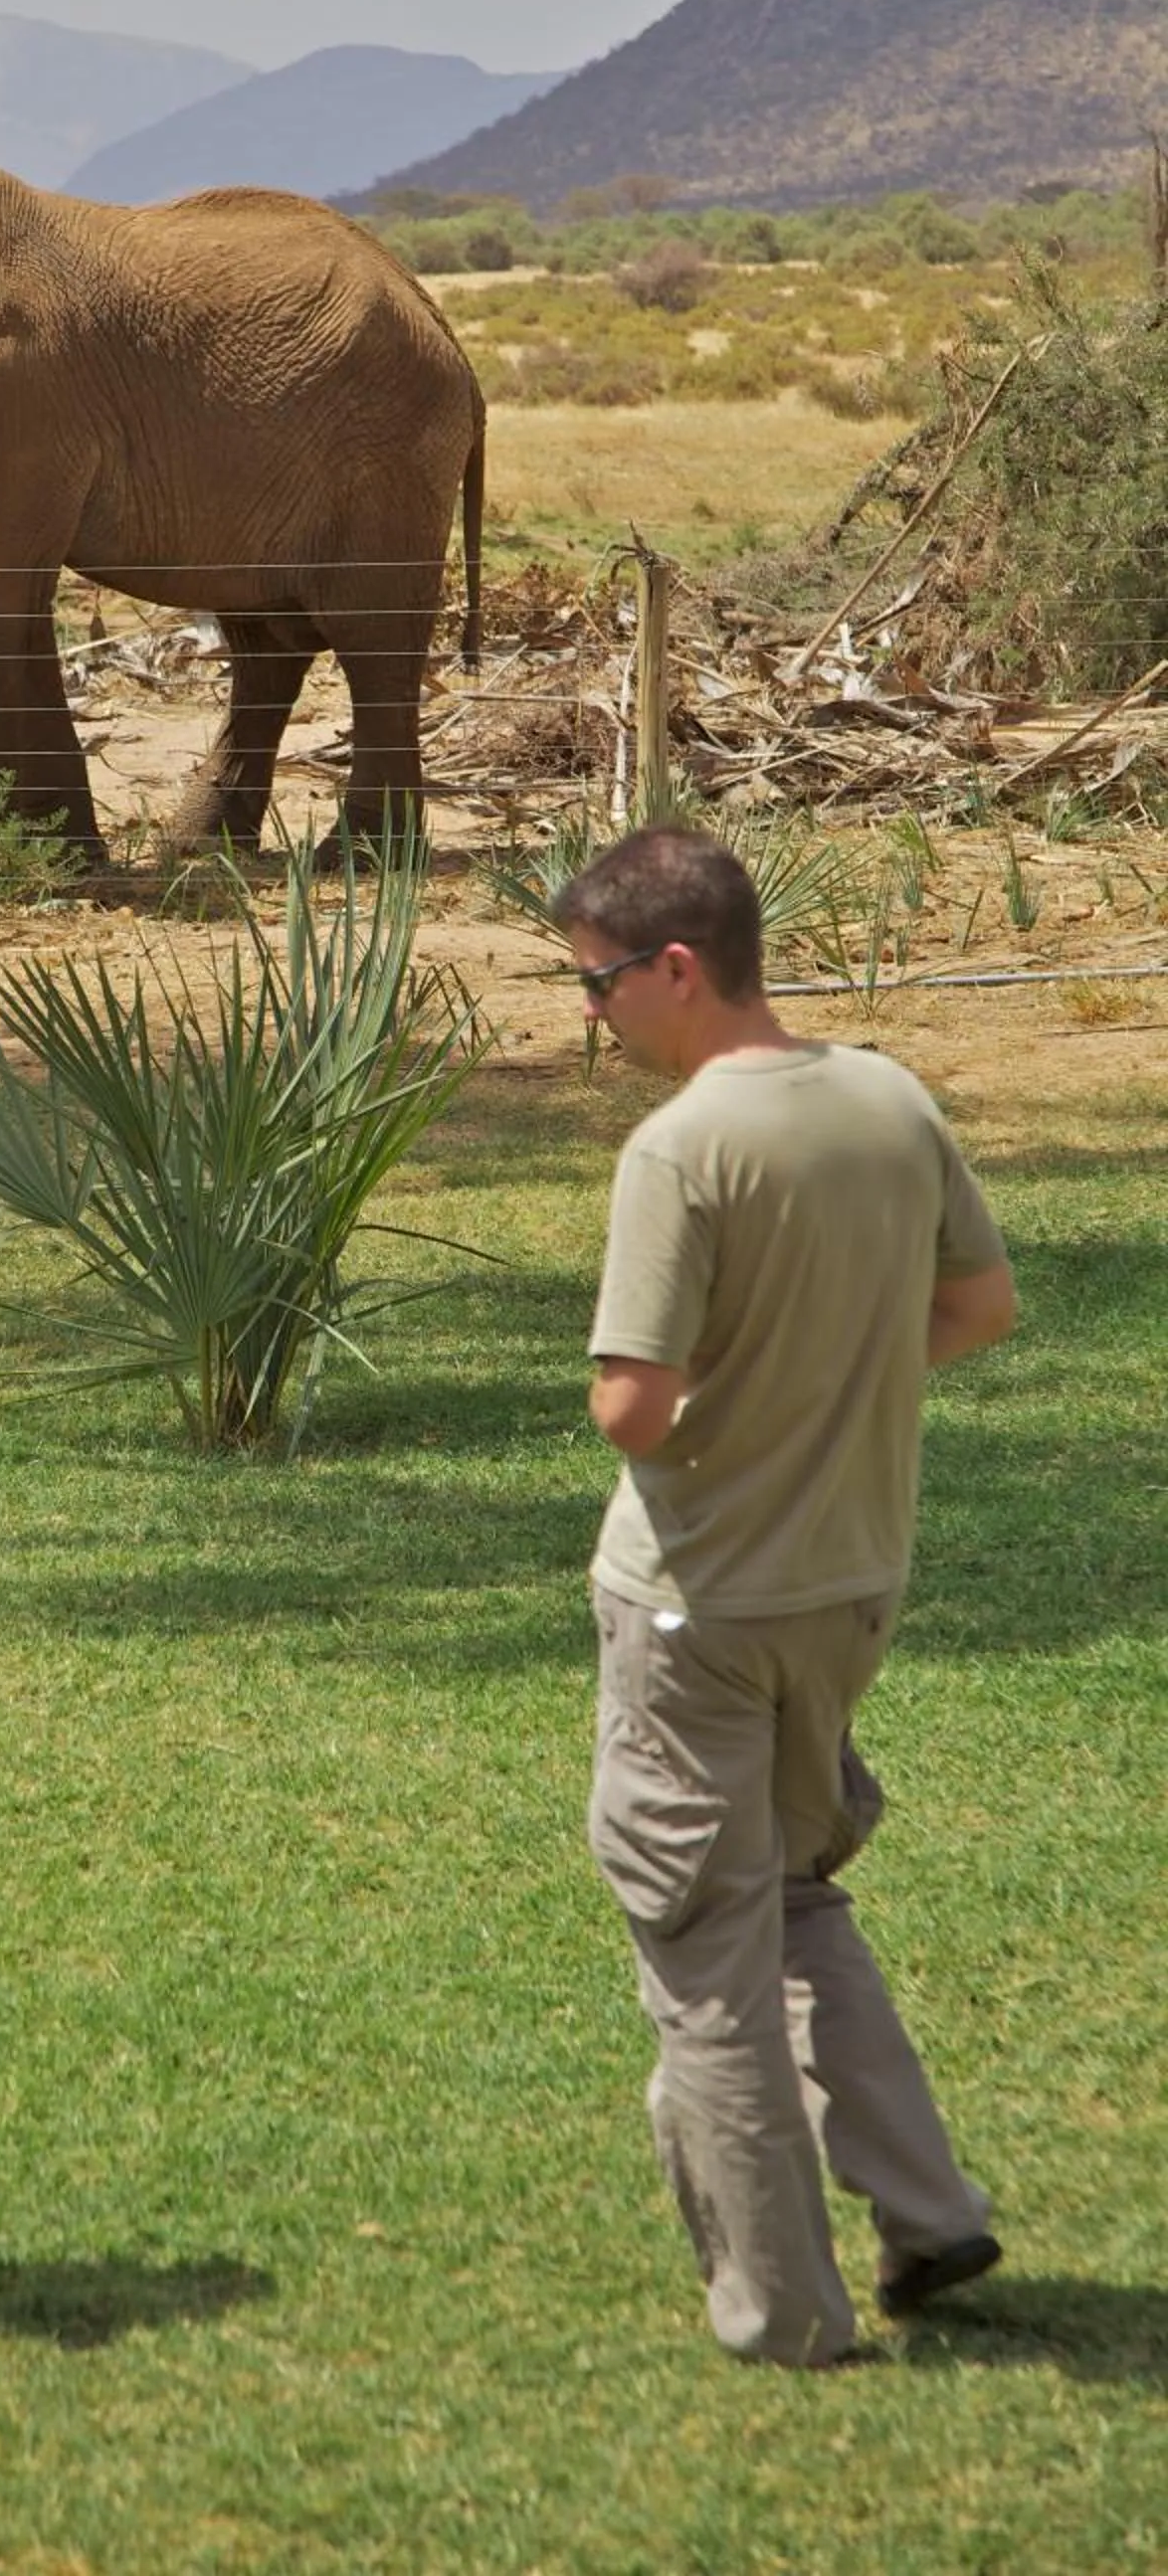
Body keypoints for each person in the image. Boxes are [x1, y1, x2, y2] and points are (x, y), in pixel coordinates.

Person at [551, 829, 1017, 2370]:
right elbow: (980, 1306)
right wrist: (836, 1385)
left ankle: (783, 2310)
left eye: (600, 986)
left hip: (699, 1609)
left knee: (705, 1962)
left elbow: (633, 1405)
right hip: (851, 1595)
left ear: (675, 968)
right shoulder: (890, 1097)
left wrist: (719, 1405)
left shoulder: (683, 1150)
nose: (596, 1018)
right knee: (799, 1898)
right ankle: (930, 2208)